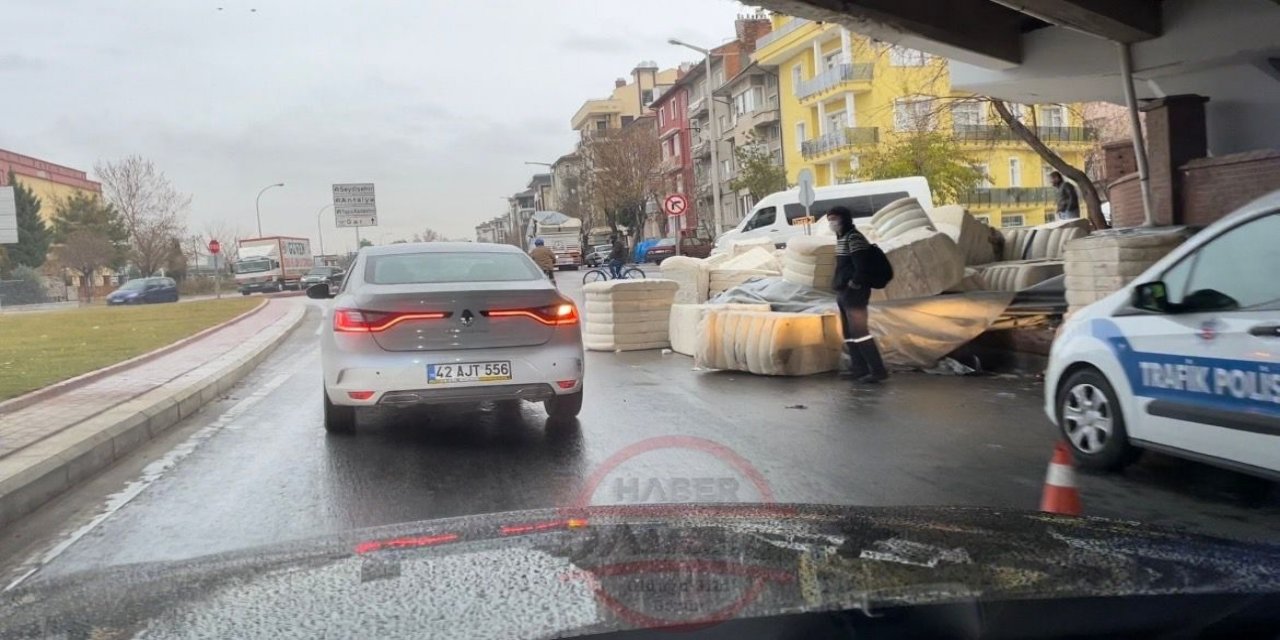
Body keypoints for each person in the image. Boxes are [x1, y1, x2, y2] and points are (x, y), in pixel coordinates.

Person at [827, 206, 888, 383]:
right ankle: (859, 369)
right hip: (843, 292)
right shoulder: (842, 238)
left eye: (835, 218)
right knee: (849, 333)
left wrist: (854, 284)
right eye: (829, 219)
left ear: (845, 218)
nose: (832, 222)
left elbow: (861, 266)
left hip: (854, 292)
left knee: (860, 332)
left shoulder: (854, 238)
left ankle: (877, 370)